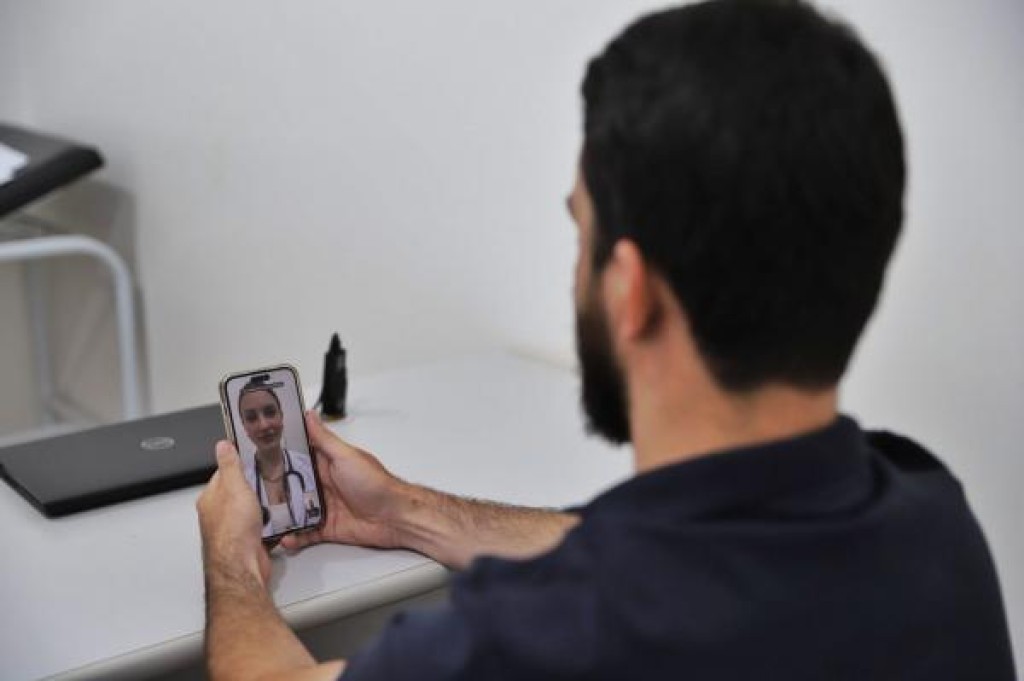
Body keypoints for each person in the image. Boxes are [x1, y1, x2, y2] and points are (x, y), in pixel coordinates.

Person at [196, 1, 1017, 679]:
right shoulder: (930, 516)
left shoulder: (552, 637)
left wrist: (231, 559)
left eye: (581, 233)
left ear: (629, 290)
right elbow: (659, 546)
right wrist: (407, 511)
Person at [236, 383, 321, 538]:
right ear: (245, 427)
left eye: (270, 412)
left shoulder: (310, 467)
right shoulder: (239, 484)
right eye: (252, 418)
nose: (264, 425)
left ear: (281, 415)